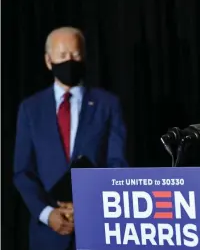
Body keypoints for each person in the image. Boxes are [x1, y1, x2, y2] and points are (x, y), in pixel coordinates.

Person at [13, 26, 128, 250]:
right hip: (47, 235)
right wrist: (48, 214)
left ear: (84, 57)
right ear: (49, 61)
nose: (70, 61)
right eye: (63, 56)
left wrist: (87, 205)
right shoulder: (30, 109)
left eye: (75, 55)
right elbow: (22, 172)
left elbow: (117, 164)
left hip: (97, 227)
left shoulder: (108, 104)